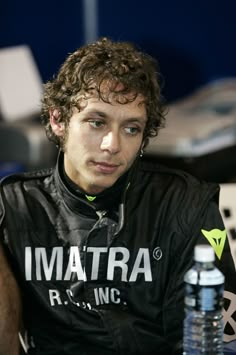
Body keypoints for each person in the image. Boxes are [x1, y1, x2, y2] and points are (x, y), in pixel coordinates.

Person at [0, 37, 236, 355]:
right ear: (58, 120)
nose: (113, 145)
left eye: (131, 129)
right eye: (97, 123)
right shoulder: (14, 206)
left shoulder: (184, 203)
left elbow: (221, 334)